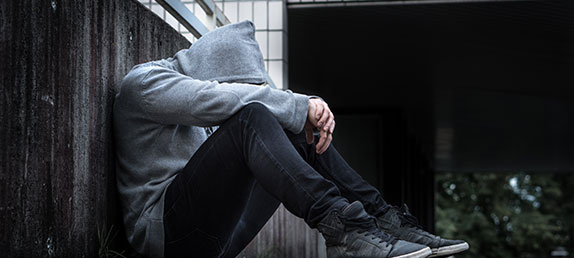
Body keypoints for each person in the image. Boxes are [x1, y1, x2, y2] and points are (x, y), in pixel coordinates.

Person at [113, 20, 469, 258]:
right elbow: (222, 100)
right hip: (165, 238)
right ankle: (343, 232)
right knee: (254, 117)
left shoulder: (202, 106)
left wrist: (301, 117)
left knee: (294, 129)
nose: (247, 93)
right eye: (241, 86)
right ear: (213, 73)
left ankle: (381, 220)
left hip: (220, 240)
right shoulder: (145, 84)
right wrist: (301, 104)